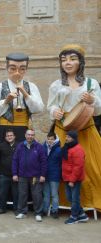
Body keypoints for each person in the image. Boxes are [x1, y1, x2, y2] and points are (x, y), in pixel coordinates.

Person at [47, 44, 101, 211]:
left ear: (80, 62)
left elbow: (98, 109)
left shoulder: (91, 83)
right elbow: (50, 106)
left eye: (72, 59)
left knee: (91, 167)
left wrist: (92, 101)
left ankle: (91, 202)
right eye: (64, 60)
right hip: (63, 130)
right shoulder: (56, 85)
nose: (67, 63)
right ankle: (63, 203)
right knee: (62, 166)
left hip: (86, 131)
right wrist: (54, 111)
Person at [0, 53, 44, 145]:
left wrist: (25, 94)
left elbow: (39, 108)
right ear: (7, 68)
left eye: (22, 69)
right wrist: (6, 101)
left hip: (24, 129)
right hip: (5, 129)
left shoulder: (31, 86)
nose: (17, 72)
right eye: (13, 68)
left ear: (26, 70)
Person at [12, 129, 47, 222]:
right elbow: (15, 160)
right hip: (22, 175)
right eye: (28, 135)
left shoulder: (39, 147)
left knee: (37, 195)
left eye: (32, 135)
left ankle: (38, 213)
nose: (30, 136)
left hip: (35, 176)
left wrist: (43, 175)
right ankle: (22, 212)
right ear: (25, 135)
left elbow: (43, 162)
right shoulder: (20, 146)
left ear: (34, 136)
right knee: (22, 194)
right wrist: (15, 174)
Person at [61, 131, 89, 224]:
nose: (66, 138)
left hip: (74, 179)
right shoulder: (68, 147)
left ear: (73, 138)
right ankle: (82, 215)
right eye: (66, 137)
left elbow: (78, 167)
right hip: (67, 177)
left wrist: (72, 180)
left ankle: (74, 217)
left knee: (74, 198)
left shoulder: (78, 149)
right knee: (70, 197)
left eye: (68, 137)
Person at [0, 129, 19, 215]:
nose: (9, 137)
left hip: (16, 175)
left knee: (16, 193)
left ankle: (16, 209)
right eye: (8, 136)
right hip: (4, 174)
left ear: (14, 136)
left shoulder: (19, 146)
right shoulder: (1, 146)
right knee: (2, 193)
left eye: (11, 135)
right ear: (5, 137)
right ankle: (2, 208)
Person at [42, 131, 62, 218]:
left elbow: (61, 163)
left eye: (52, 139)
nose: (50, 141)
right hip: (45, 175)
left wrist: (60, 174)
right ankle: (44, 210)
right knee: (46, 194)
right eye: (48, 139)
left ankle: (55, 211)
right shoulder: (43, 148)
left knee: (54, 194)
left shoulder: (59, 149)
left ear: (55, 139)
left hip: (54, 175)